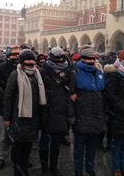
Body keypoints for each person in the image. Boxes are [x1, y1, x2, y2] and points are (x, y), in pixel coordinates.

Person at [3, 49, 46, 176]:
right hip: (19, 117)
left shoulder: (37, 74)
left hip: (33, 117)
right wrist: (7, 117)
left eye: (33, 60)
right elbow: (8, 97)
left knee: (27, 146)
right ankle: (18, 171)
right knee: (17, 147)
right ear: (21, 62)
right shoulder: (15, 75)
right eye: (28, 61)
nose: (31, 63)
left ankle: (23, 169)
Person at [39, 47, 76, 176]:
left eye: (62, 58)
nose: (60, 61)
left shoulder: (68, 69)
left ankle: (54, 167)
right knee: (44, 141)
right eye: (57, 59)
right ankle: (44, 167)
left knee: (55, 143)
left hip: (61, 110)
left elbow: (72, 87)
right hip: (46, 109)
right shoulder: (43, 70)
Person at [73, 46, 106, 176]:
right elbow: (70, 93)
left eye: (93, 58)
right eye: (88, 58)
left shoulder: (98, 72)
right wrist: (72, 116)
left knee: (92, 146)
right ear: (82, 59)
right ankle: (78, 170)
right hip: (81, 113)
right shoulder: (75, 71)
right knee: (79, 146)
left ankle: (90, 169)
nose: (91, 61)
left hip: (96, 114)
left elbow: (103, 91)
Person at [0, 45, 20, 170]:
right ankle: (1, 157)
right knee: (4, 134)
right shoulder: (3, 67)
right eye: (13, 54)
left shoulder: (23, 67)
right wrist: (4, 97)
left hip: (20, 107)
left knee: (19, 134)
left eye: (18, 54)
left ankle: (18, 158)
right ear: (9, 55)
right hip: (6, 106)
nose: (16, 56)